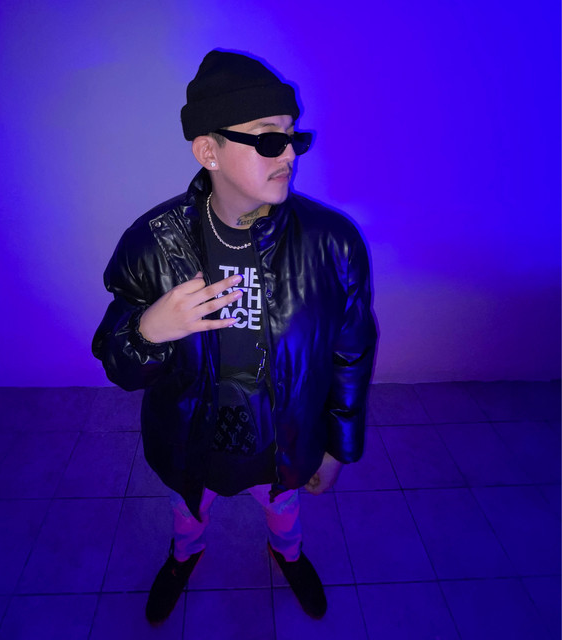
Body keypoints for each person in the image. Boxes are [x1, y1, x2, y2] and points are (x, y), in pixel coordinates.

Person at [92, 49, 377, 625]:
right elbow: (118, 363)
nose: (289, 153)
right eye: (269, 139)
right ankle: (184, 556)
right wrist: (150, 330)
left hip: (284, 434)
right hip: (191, 435)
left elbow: (351, 353)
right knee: (187, 511)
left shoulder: (332, 243)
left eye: (293, 137)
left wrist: (337, 446)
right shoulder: (153, 244)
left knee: (284, 508)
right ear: (209, 151)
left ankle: (287, 554)